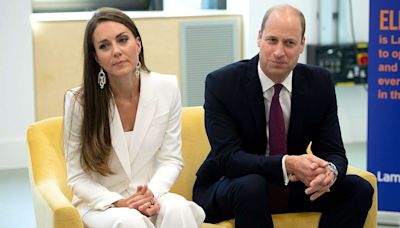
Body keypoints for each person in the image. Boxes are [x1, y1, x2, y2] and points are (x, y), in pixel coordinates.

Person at [193, 4, 373, 228]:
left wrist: (330, 172)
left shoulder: (319, 83)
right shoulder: (222, 83)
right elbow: (228, 158)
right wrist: (286, 163)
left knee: (359, 188)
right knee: (252, 185)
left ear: (301, 45)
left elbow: (333, 151)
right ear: (259, 39)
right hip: (231, 184)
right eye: (272, 40)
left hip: (291, 185)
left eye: (289, 43)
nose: (279, 52)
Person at [63, 7, 205, 228]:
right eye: (104, 46)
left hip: (146, 193)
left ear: (137, 44)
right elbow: (77, 177)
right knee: (131, 222)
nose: (116, 51)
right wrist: (119, 202)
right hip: (102, 204)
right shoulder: (78, 101)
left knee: (178, 209)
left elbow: (171, 160)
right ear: (96, 58)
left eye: (122, 40)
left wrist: (151, 195)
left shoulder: (167, 88)